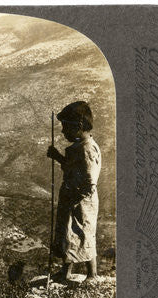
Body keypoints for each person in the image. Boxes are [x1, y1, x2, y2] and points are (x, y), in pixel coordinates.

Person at [46, 101, 101, 283]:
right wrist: (58, 157)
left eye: (65, 127)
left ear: (78, 126)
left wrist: (77, 197)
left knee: (84, 233)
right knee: (67, 234)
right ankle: (65, 271)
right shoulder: (79, 147)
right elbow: (71, 168)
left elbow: (89, 180)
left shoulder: (87, 149)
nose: (62, 132)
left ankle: (92, 274)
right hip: (71, 197)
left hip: (81, 201)